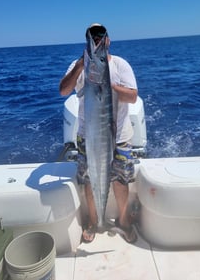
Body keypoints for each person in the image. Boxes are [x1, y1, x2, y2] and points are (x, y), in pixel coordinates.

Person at [59, 23, 138, 243]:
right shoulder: (78, 65)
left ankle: (123, 221)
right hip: (89, 137)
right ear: (87, 41)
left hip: (120, 135)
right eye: (92, 37)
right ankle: (94, 221)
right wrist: (80, 67)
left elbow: (132, 96)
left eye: (101, 36)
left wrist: (108, 83)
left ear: (108, 40)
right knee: (89, 179)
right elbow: (63, 90)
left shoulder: (121, 65)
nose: (97, 40)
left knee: (121, 181)